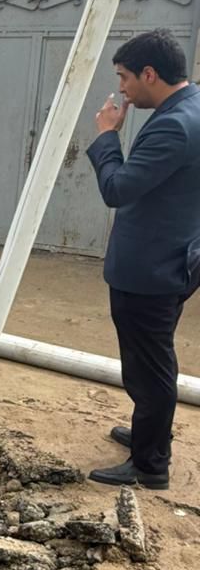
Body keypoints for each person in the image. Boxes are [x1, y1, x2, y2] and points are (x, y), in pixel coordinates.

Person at [86, 29, 200, 491]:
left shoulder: (174, 126)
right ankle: (148, 433)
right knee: (153, 360)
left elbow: (118, 188)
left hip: (150, 269)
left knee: (149, 366)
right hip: (178, 256)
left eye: (125, 78)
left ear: (149, 74)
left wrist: (108, 136)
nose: (123, 89)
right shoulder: (192, 107)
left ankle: (150, 464)